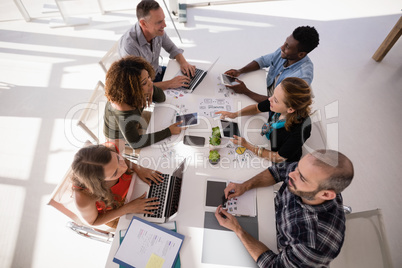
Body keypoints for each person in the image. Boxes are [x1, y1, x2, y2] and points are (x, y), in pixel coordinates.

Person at [215, 149, 354, 267]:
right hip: (270, 219)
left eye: (302, 178)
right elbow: (278, 171)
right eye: (298, 168)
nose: (291, 174)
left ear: (326, 194)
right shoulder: (307, 175)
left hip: (280, 251)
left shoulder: (314, 244)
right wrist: (245, 185)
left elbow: (274, 265)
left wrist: (238, 230)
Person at [216, 77, 312, 163]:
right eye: (273, 95)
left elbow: (278, 157)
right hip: (267, 142)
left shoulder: (302, 129)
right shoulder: (276, 103)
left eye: (276, 100)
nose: (269, 99)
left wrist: (246, 145)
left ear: (290, 109)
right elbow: (256, 108)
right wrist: (235, 114)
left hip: (279, 157)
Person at [71, 142, 164, 227]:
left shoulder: (107, 151)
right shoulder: (83, 197)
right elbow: (94, 221)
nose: (124, 167)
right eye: (115, 173)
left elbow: (118, 161)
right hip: (114, 211)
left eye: (118, 158)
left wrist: (137, 167)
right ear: (99, 181)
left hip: (133, 190)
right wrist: (127, 209)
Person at [103, 56, 185, 149]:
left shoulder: (135, 93)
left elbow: (161, 98)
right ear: (130, 89)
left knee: (170, 118)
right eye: (144, 83)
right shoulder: (123, 111)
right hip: (120, 141)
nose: (150, 83)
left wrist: (151, 89)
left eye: (149, 77)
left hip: (135, 122)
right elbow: (135, 143)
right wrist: (168, 131)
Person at [225, 26, 319, 102]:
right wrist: (240, 71)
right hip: (269, 92)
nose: (282, 47)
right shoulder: (284, 53)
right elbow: (262, 61)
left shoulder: (301, 77)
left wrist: (245, 91)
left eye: (287, 46)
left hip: (279, 107)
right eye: (285, 42)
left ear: (301, 54)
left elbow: (278, 103)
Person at [118, 0, 195, 90]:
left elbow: (171, 48)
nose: (164, 25)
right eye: (159, 22)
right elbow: (139, 87)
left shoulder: (156, 31)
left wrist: (183, 63)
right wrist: (170, 83)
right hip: (147, 87)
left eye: (163, 19)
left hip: (157, 72)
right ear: (143, 23)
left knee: (193, 82)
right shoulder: (129, 47)